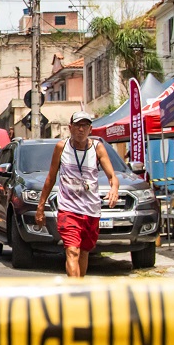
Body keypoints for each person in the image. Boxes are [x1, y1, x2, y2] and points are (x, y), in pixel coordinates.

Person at [35, 111, 119, 278]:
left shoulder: (98, 148)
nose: (81, 129)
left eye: (85, 126)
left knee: (84, 251)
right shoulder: (62, 147)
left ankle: (79, 286)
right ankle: (76, 293)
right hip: (68, 209)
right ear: (70, 128)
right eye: (78, 125)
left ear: (90, 129)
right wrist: (40, 206)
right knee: (72, 251)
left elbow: (112, 176)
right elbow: (51, 178)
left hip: (91, 210)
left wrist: (114, 188)